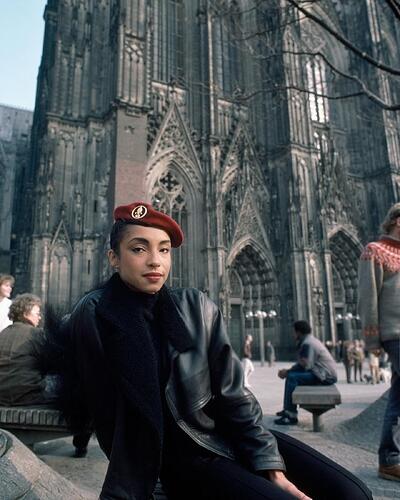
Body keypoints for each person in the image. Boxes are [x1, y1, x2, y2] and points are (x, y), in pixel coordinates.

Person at [54, 201, 372, 500]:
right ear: (113, 257)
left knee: (353, 493)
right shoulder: (96, 313)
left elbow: (234, 395)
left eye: (164, 250)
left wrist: (267, 461)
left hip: (228, 436)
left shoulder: (196, 307)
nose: (155, 260)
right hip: (183, 461)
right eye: (139, 249)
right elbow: (104, 413)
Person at [358, 202, 400, 482]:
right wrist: (372, 341)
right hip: (395, 334)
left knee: (397, 397)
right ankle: (389, 457)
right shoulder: (375, 251)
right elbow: (368, 298)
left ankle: (390, 459)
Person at [274, 320, 337, 426]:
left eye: (293, 332)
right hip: (321, 373)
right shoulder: (309, 340)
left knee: (292, 378)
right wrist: (288, 371)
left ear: (298, 332)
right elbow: (305, 364)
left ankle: (291, 415)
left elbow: (304, 364)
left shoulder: (307, 343)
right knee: (291, 376)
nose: (292, 334)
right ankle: (287, 410)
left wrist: (287, 371)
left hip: (325, 376)